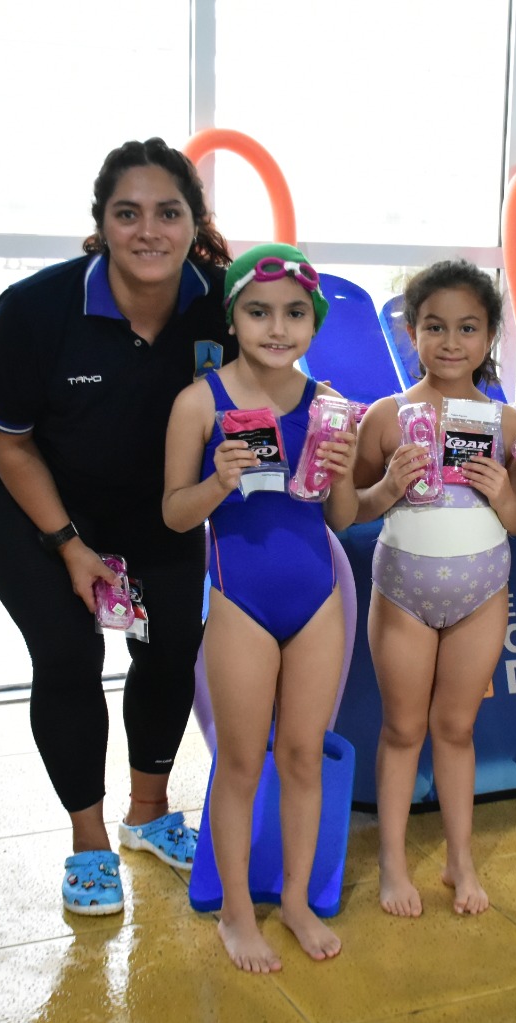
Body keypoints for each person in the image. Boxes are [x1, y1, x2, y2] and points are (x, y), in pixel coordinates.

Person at [0, 138, 235, 916]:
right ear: (102, 224)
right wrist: (68, 545)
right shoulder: (36, 309)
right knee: (67, 653)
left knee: (170, 646)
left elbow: (275, 371)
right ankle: (89, 841)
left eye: (168, 213)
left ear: (194, 224)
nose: (148, 231)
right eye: (128, 214)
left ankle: (149, 814)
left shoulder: (223, 303)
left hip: (155, 501)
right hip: (34, 498)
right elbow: (9, 442)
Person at [162, 243, 358, 974]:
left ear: (314, 322)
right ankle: (237, 912)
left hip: (317, 599)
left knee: (304, 756)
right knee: (242, 762)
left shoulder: (329, 405)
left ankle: (298, 901)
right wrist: (217, 480)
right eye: (259, 312)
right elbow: (175, 515)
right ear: (233, 317)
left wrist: (345, 473)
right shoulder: (199, 402)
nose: (278, 328)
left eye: (295, 314)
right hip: (240, 601)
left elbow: (339, 517)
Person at [353, 261, 516, 918]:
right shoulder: (386, 417)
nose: (451, 342)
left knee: (456, 728)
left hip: (480, 596)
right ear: (412, 332)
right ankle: (393, 863)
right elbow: (350, 510)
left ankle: (461, 859)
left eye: (467, 328)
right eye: (435, 327)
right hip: (402, 594)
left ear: (489, 336)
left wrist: (502, 493)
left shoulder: (507, 423)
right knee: (403, 729)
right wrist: (388, 486)